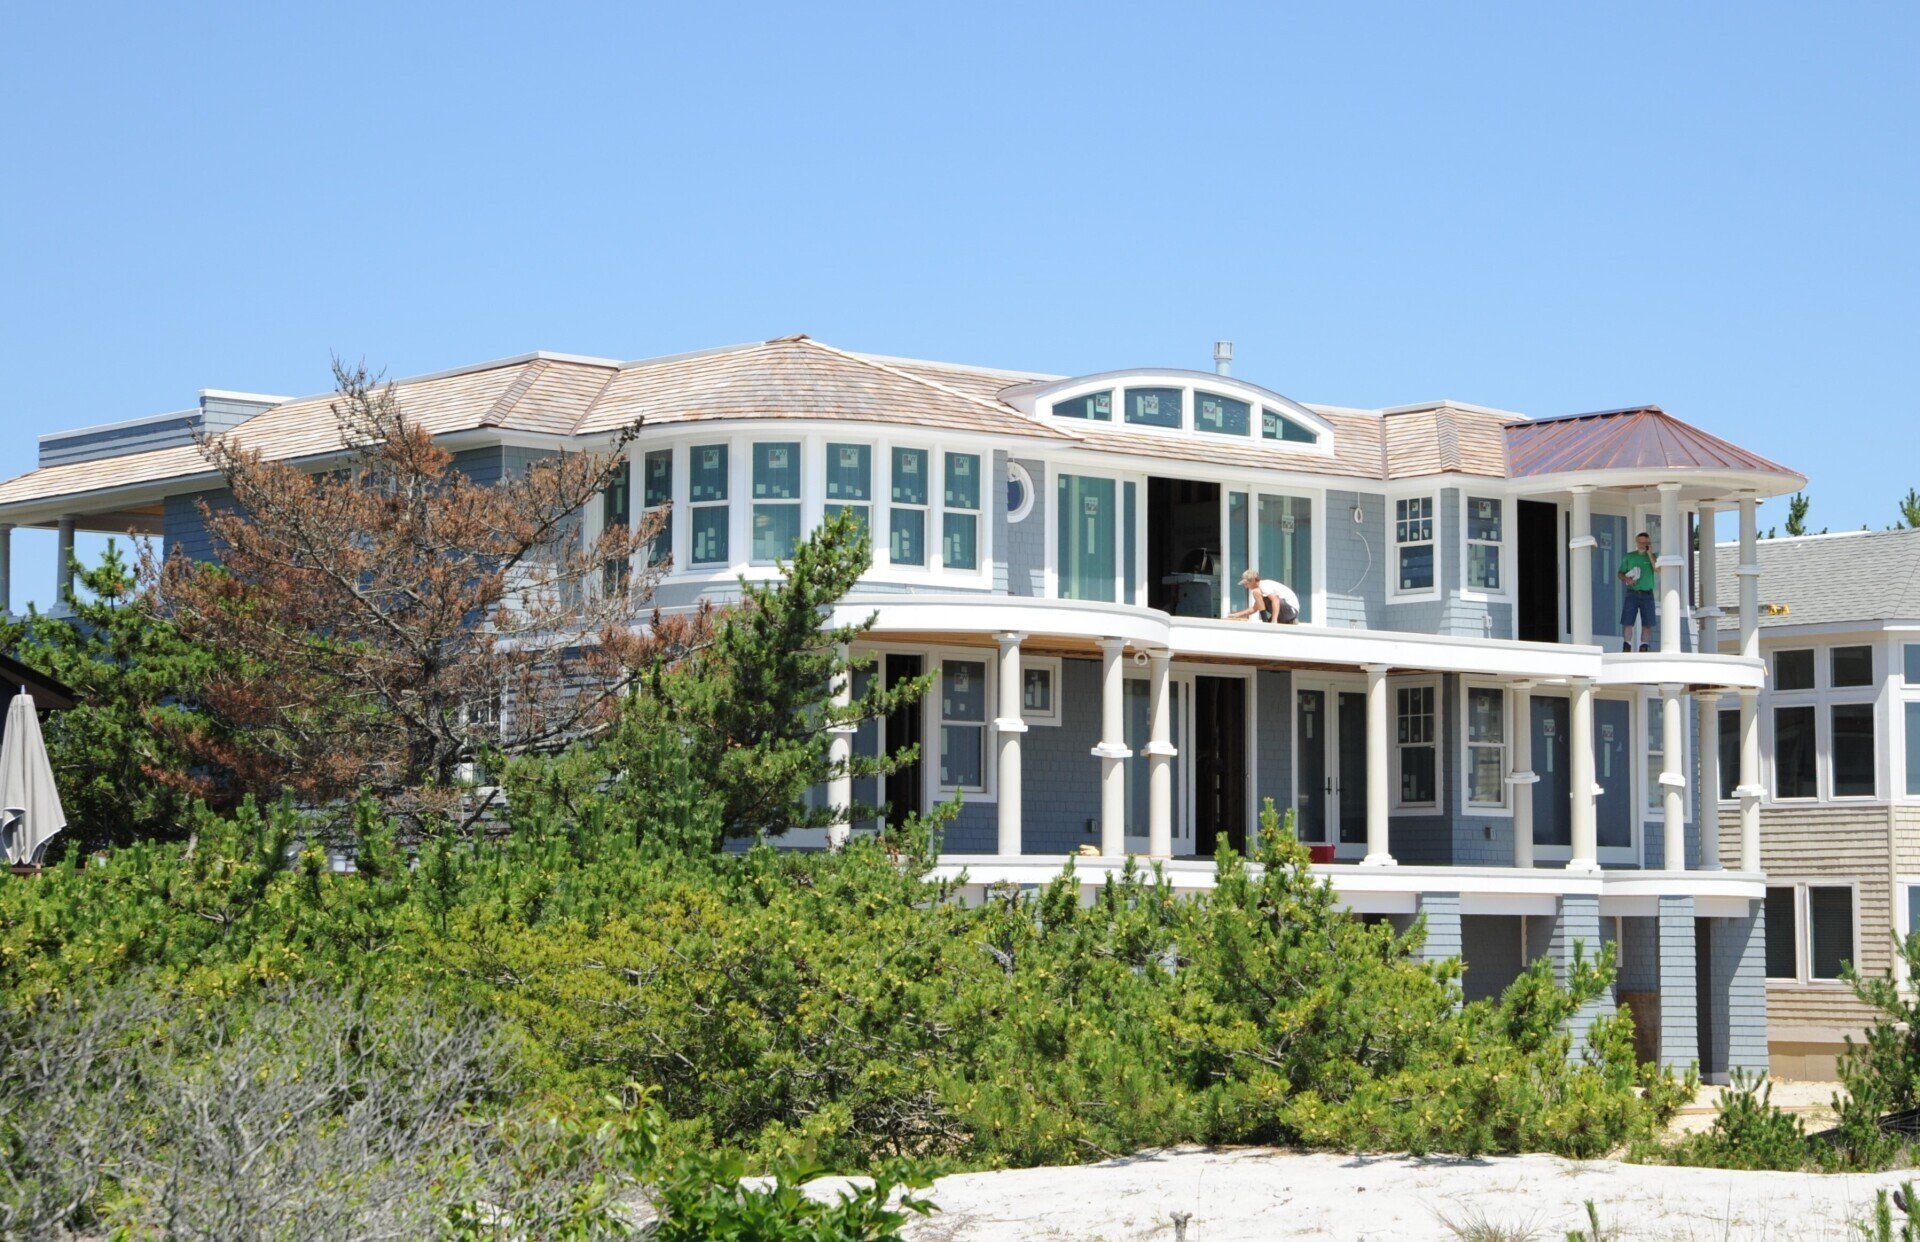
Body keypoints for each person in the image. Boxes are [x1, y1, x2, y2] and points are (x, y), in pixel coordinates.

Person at [1617, 531, 1657, 651]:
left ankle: (1644, 646)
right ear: (1636, 542)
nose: (1642, 544)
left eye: (1645, 542)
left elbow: (1657, 568)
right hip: (1632, 592)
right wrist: (1627, 579)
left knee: (1647, 622)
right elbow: (1620, 573)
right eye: (1640, 542)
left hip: (1647, 593)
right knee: (1628, 620)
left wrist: (1649, 553)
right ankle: (1627, 645)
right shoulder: (1629, 556)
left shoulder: (1653, 556)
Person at [1227, 569, 1300, 623]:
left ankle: (1266, 620)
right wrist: (1236, 615)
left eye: (1246, 584)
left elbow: (1276, 600)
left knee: (1256, 592)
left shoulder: (1264, 585)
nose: (1246, 587)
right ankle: (1289, 620)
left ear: (1252, 580)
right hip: (1289, 612)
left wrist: (1274, 621)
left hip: (1290, 609)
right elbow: (1254, 608)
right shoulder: (1262, 589)